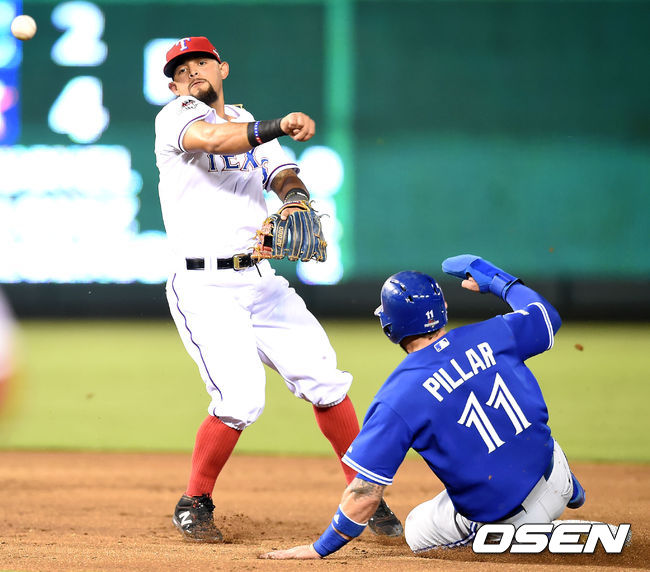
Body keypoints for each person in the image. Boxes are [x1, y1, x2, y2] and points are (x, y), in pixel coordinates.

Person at [154, 36, 402, 542]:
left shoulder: (246, 119)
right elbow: (216, 140)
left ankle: (364, 494)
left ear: (222, 68)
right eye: (181, 70)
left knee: (326, 381)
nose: (192, 72)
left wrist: (294, 200)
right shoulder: (176, 117)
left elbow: (283, 172)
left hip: (260, 279)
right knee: (240, 399)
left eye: (201, 62)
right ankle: (194, 500)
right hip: (203, 285)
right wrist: (279, 125)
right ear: (175, 86)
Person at [259, 254, 588, 559]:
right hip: (555, 471)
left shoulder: (397, 397)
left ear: (389, 327)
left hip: (513, 523)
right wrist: (497, 279)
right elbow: (546, 316)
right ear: (443, 308)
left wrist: (319, 549)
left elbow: (365, 495)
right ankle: (568, 489)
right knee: (521, 442)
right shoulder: (494, 332)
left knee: (418, 526)